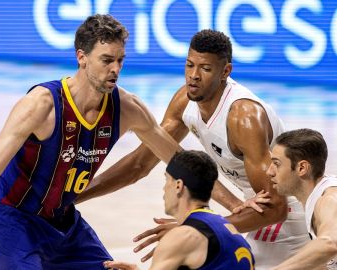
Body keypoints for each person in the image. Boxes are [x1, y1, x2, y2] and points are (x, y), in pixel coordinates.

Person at [0, 14, 181, 270]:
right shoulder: (42, 105)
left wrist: (214, 212)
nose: (116, 69)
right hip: (12, 217)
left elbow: (181, 162)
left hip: (61, 219)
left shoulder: (126, 107)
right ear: (81, 57)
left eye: (120, 60)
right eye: (107, 60)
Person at [77, 29, 309, 269]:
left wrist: (199, 228)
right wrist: (73, 197)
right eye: (189, 65)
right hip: (254, 205)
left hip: (289, 211)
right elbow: (140, 164)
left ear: (225, 72)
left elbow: (276, 208)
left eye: (205, 69)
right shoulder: (186, 101)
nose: (194, 76)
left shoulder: (243, 117)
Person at [104, 150, 255, 270]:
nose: (164, 188)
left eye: (166, 180)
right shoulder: (228, 229)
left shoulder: (182, 236)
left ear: (178, 185)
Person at [265, 128, 337, 269]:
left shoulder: (329, 199)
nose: (269, 171)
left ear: (302, 168)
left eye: (277, 164)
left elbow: (330, 243)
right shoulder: (315, 198)